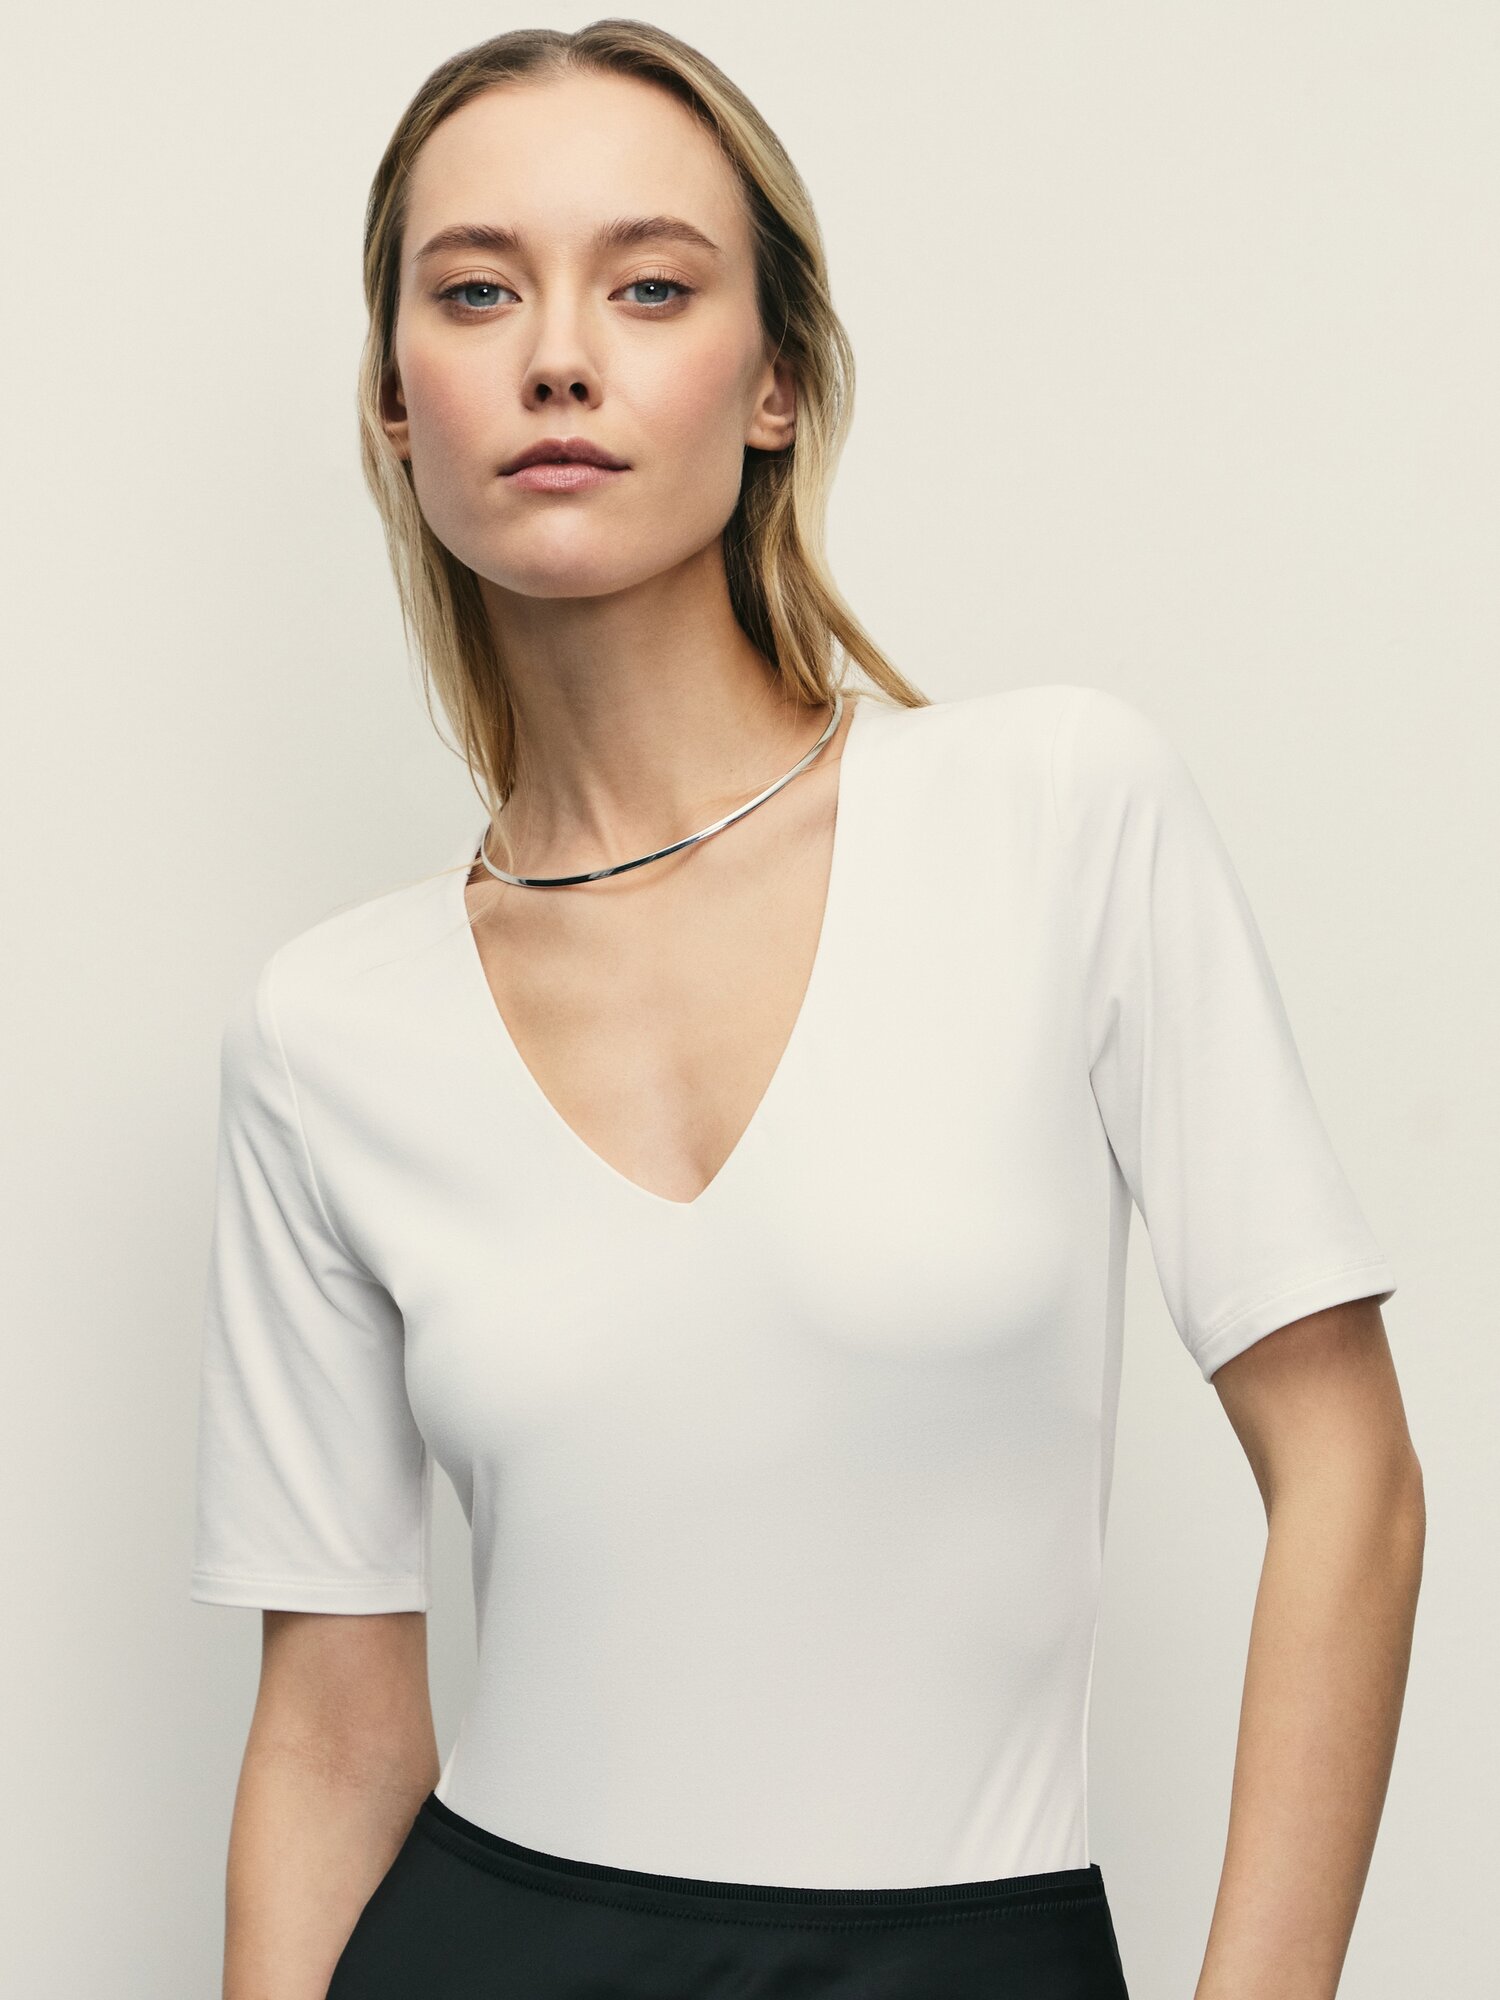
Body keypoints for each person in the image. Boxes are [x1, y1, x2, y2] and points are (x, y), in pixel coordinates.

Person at [189, 21, 1423, 2000]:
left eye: (650, 285)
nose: (558, 355)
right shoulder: (322, 1033)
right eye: (478, 290)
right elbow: (333, 1732)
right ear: (397, 406)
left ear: (774, 382)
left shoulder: (1056, 812)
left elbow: (1347, 1475)